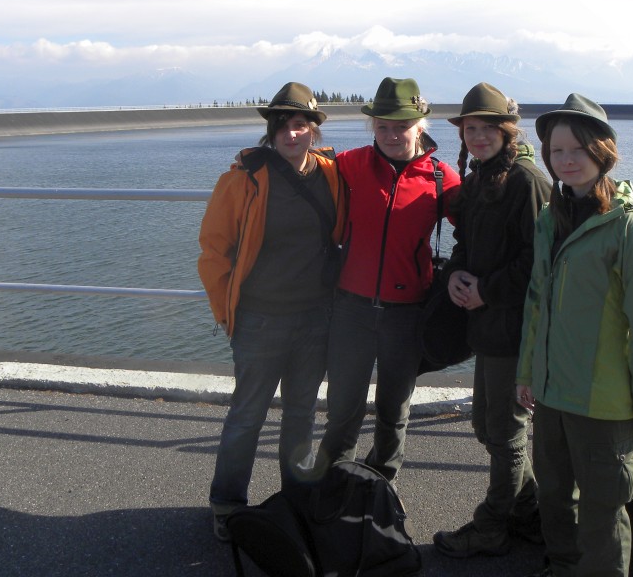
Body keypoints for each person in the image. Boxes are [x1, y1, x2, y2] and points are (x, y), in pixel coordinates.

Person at [516, 93, 633, 577]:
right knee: (555, 497)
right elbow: (537, 302)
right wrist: (527, 373)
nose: (566, 160)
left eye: (578, 150)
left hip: (604, 403)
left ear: (602, 152)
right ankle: (563, 567)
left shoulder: (630, 228)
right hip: (552, 394)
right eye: (556, 151)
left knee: (603, 509)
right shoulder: (553, 217)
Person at [197, 82, 346, 542]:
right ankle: (227, 504)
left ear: (314, 130)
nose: (291, 134)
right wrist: (227, 312)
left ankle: (296, 501)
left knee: (302, 414)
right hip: (260, 319)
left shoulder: (332, 174)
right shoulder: (243, 178)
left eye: (300, 124)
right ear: (271, 131)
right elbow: (214, 251)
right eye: (282, 125)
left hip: (315, 317)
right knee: (247, 415)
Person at [318, 76, 460, 484]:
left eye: (402, 126)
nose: (392, 135)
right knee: (342, 409)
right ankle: (334, 486)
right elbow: (302, 170)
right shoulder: (350, 164)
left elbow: (479, 228)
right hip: (351, 309)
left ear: (420, 126)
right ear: (372, 127)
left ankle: (381, 486)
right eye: (383, 127)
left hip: (407, 313)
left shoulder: (441, 178)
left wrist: (461, 273)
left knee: (393, 411)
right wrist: (257, 160)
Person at [432, 83, 552, 559]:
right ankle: (531, 514)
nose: (478, 136)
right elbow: (466, 244)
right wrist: (457, 275)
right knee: (487, 426)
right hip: (488, 326)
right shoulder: (481, 177)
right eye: (470, 129)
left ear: (507, 131)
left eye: (487, 128)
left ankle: (492, 527)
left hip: (516, 329)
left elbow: (537, 262)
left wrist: (485, 289)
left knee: (505, 433)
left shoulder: (526, 181)